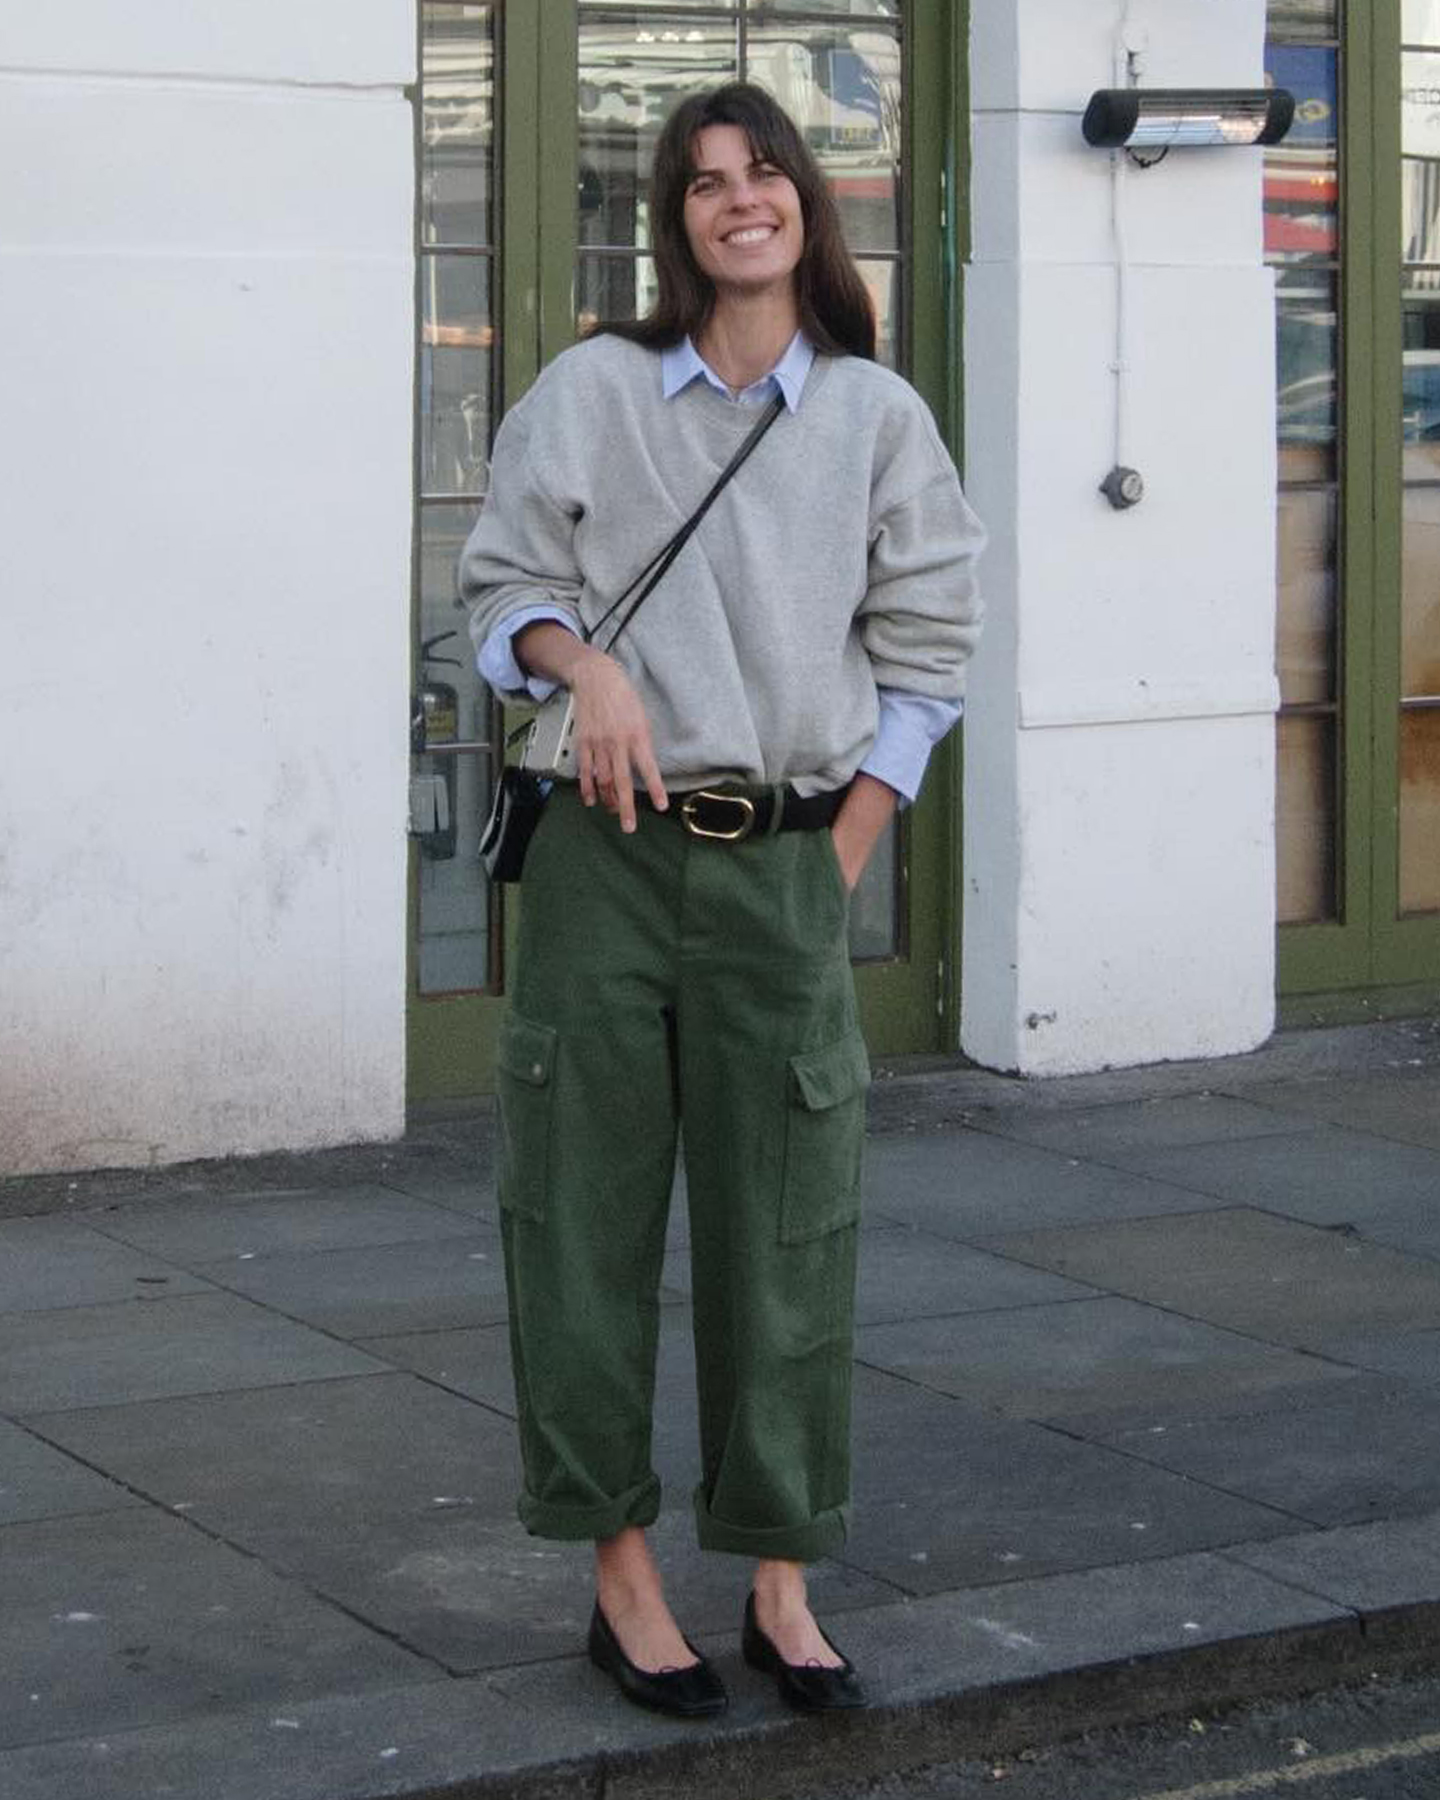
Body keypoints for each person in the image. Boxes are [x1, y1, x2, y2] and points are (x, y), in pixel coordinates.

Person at [461, 80, 984, 1718]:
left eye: (762, 173)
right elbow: (493, 598)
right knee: (582, 1231)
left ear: (806, 208)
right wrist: (581, 660)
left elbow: (930, 659)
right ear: (675, 225)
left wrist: (843, 853)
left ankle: (777, 1572)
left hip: (780, 869)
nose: (735, 200)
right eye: (701, 183)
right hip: (603, 868)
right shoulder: (591, 391)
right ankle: (620, 1577)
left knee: (788, 1235)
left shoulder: (877, 419)